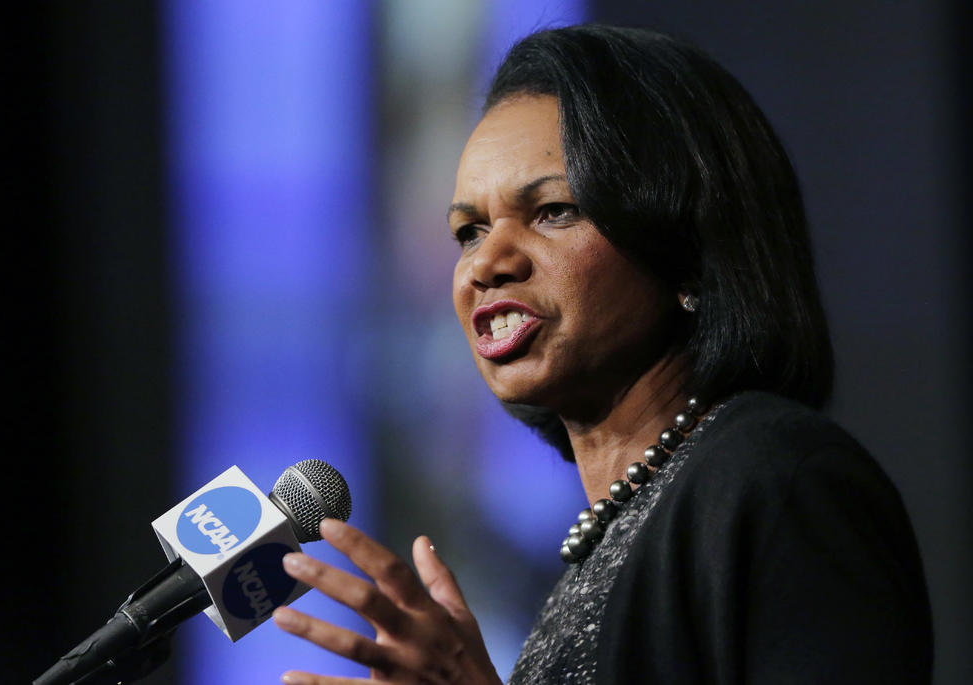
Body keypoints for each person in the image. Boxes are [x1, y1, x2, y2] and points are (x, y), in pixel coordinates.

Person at [271, 24, 933, 684]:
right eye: (469, 230)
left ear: (687, 251)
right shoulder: (607, 541)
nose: (486, 264)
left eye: (554, 211)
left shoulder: (779, 481)